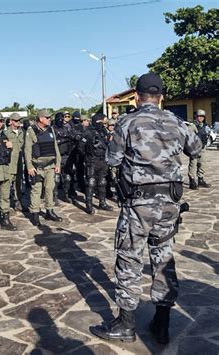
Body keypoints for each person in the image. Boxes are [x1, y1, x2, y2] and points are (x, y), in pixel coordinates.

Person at [90, 73, 203, 344]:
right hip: (169, 204)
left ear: (137, 97)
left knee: (129, 258)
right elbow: (197, 149)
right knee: (163, 258)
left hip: (139, 205)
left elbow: (113, 159)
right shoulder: (177, 121)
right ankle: (161, 324)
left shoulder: (127, 122)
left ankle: (126, 324)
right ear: (161, 97)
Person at [24, 109, 62, 226]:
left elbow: (55, 147)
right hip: (37, 167)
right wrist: (29, 166)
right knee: (36, 190)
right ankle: (35, 213)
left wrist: (58, 163)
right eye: (47, 118)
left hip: (50, 165)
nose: (50, 119)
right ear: (41, 119)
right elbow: (27, 150)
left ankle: (49, 211)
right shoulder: (31, 131)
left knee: (50, 188)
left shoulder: (51, 129)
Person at [82, 113, 113, 214]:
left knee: (102, 182)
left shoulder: (104, 131)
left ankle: (102, 202)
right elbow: (80, 147)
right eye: (102, 123)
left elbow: (108, 143)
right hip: (92, 160)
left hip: (102, 160)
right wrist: (88, 155)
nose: (104, 125)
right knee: (91, 182)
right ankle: (89, 205)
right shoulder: (88, 132)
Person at [53, 111, 78, 203]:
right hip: (57, 156)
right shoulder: (52, 129)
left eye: (62, 118)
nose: (61, 120)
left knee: (67, 177)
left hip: (67, 155)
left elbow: (73, 137)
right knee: (56, 178)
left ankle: (66, 194)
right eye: (60, 119)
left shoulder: (67, 128)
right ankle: (54, 196)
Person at [5, 113, 25, 211]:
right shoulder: (6, 133)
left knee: (19, 183)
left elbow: (23, 146)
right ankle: (4, 205)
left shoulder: (22, 132)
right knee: (7, 184)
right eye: (16, 121)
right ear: (11, 121)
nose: (18, 122)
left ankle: (18, 202)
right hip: (10, 162)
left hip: (19, 161)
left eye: (19, 120)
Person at [188, 109, 212, 189]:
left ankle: (200, 180)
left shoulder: (205, 126)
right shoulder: (193, 126)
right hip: (194, 149)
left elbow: (207, 135)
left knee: (202, 164)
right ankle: (192, 182)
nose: (200, 118)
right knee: (193, 165)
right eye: (199, 116)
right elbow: (189, 137)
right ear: (196, 117)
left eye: (202, 116)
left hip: (202, 148)